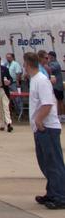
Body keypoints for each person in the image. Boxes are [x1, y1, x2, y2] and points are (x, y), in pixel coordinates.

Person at [23, 50, 65, 209]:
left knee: (53, 162)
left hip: (47, 128)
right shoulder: (35, 79)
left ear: (27, 64)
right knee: (45, 163)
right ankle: (53, 191)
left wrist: (39, 120)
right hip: (41, 128)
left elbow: (47, 103)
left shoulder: (41, 80)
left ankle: (60, 195)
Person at [47, 51, 64, 116]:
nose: (47, 58)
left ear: (52, 57)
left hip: (57, 86)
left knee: (59, 101)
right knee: (58, 101)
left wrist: (46, 63)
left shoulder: (55, 64)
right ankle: (60, 115)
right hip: (56, 86)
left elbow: (50, 70)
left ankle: (61, 115)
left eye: (48, 57)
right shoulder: (53, 63)